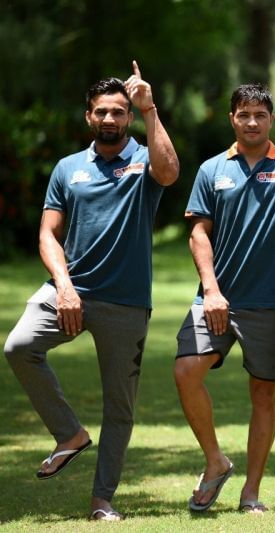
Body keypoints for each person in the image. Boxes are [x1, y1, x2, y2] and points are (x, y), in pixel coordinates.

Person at [3, 62, 179, 521]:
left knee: (119, 406)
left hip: (125, 302)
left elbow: (171, 172)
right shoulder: (67, 169)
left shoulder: (143, 159)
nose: (110, 120)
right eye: (102, 111)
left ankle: (102, 500)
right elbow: (47, 235)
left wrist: (150, 109)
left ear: (128, 117)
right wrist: (64, 286)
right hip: (70, 290)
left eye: (119, 112)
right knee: (19, 346)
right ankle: (69, 434)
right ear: (88, 116)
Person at [173, 84, 275, 513]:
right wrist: (210, 289)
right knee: (187, 371)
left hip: (268, 302)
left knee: (263, 395)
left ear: (271, 119)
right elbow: (198, 233)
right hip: (216, 297)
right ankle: (216, 461)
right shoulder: (212, 170)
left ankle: (251, 493)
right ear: (232, 119)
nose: (251, 122)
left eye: (260, 115)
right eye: (243, 114)